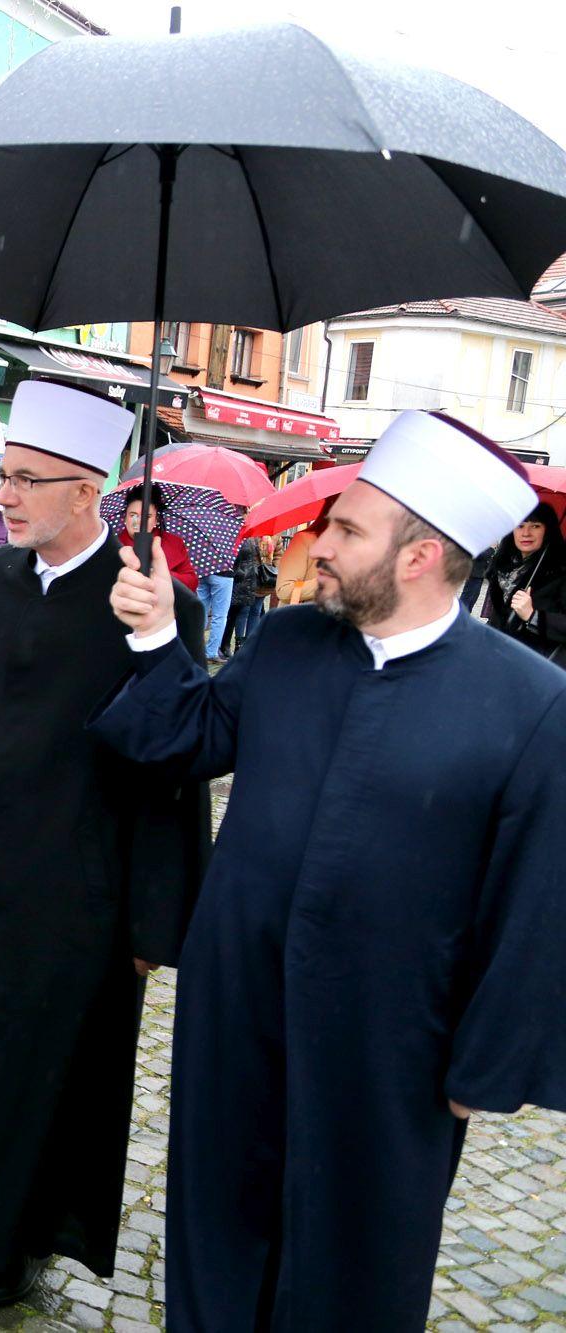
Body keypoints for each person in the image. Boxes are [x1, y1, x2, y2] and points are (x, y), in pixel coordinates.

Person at [97, 410, 566, 1331]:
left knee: (355, 1257)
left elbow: (537, 905)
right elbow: (186, 739)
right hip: (237, 1008)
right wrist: (157, 635)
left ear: (421, 555)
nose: (318, 545)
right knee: (218, 1226)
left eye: (346, 529)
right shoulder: (286, 642)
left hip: (392, 1043)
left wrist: (485, 1066)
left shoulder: (534, 702)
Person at [0, 380, 208, 1310]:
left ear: (86, 493)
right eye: (2, 480)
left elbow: (171, 772)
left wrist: (156, 917)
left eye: (28, 481)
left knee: (35, 1062)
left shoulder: (154, 607)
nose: (6, 498)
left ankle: (12, 1234)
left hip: (76, 889)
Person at [477, 502, 566, 664]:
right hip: (497, 660)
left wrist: (533, 616)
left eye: (535, 526)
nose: (526, 533)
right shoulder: (502, 569)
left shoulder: (560, 572)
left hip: (538, 667)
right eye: (520, 526)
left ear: (547, 531)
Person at [120, 486, 199, 592]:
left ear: (156, 520)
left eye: (147, 517)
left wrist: (162, 575)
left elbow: (191, 582)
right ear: (125, 517)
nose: (139, 522)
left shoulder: (174, 543)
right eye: (133, 515)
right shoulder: (112, 545)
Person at [226, 535, 267, 654]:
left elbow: (278, 555)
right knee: (244, 610)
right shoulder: (248, 536)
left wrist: (273, 566)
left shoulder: (274, 537)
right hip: (247, 577)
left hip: (262, 578)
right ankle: (239, 643)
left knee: (256, 610)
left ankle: (250, 642)